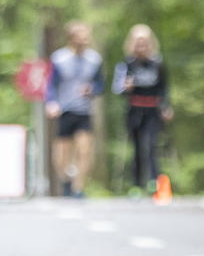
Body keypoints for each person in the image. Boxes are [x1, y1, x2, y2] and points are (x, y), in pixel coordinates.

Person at [44, 20, 104, 199]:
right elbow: (51, 84)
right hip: (64, 110)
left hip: (84, 111)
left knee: (85, 151)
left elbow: (100, 84)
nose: (85, 40)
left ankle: (78, 188)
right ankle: (66, 180)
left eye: (87, 36)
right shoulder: (59, 58)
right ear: (72, 37)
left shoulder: (95, 59)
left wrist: (92, 90)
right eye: (82, 36)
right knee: (62, 155)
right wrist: (51, 102)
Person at [112, 24, 172, 197]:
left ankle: (154, 181)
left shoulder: (158, 63)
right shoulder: (126, 64)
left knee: (151, 144)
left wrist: (166, 106)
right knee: (137, 147)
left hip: (153, 110)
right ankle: (136, 184)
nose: (141, 46)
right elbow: (117, 89)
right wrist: (126, 88)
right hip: (135, 110)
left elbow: (164, 88)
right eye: (138, 42)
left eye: (144, 42)